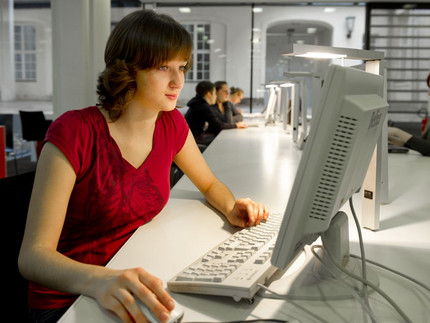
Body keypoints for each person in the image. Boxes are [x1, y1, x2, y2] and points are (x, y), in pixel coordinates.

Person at [18, 10, 269, 323]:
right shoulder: (75, 131)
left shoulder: (171, 124)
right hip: (70, 299)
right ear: (128, 68)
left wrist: (232, 206)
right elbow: (32, 257)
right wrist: (99, 280)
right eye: (164, 67)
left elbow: (209, 184)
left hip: (132, 274)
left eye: (182, 67)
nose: (178, 81)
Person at [185, 81, 237, 146]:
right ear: (209, 94)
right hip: (194, 142)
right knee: (224, 141)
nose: (216, 96)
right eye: (215, 93)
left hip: (193, 140)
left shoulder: (197, 104)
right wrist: (236, 125)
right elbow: (219, 126)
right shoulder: (203, 106)